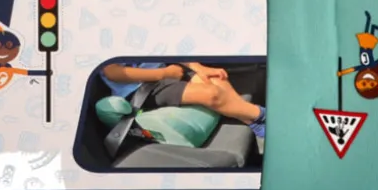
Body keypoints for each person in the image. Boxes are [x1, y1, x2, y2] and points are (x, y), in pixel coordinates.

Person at [100, 59, 265, 137]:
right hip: (140, 89)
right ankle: (265, 116)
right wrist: (164, 73)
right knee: (211, 94)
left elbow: (169, 45)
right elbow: (112, 72)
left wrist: (198, 67)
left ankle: (252, 122)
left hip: (166, 70)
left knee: (215, 79)